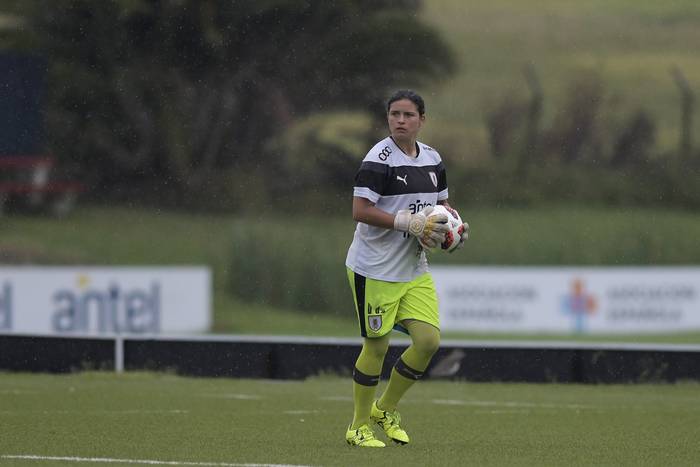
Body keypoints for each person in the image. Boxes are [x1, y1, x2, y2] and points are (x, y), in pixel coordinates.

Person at [344, 89, 469, 447]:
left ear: (421, 120)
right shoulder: (378, 159)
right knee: (377, 347)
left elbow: (441, 204)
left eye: (408, 115)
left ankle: (385, 409)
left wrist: (454, 227)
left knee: (428, 341)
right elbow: (360, 210)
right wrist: (408, 223)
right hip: (374, 268)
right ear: (388, 118)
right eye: (394, 114)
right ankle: (357, 427)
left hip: (413, 269)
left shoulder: (432, 159)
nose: (400, 120)